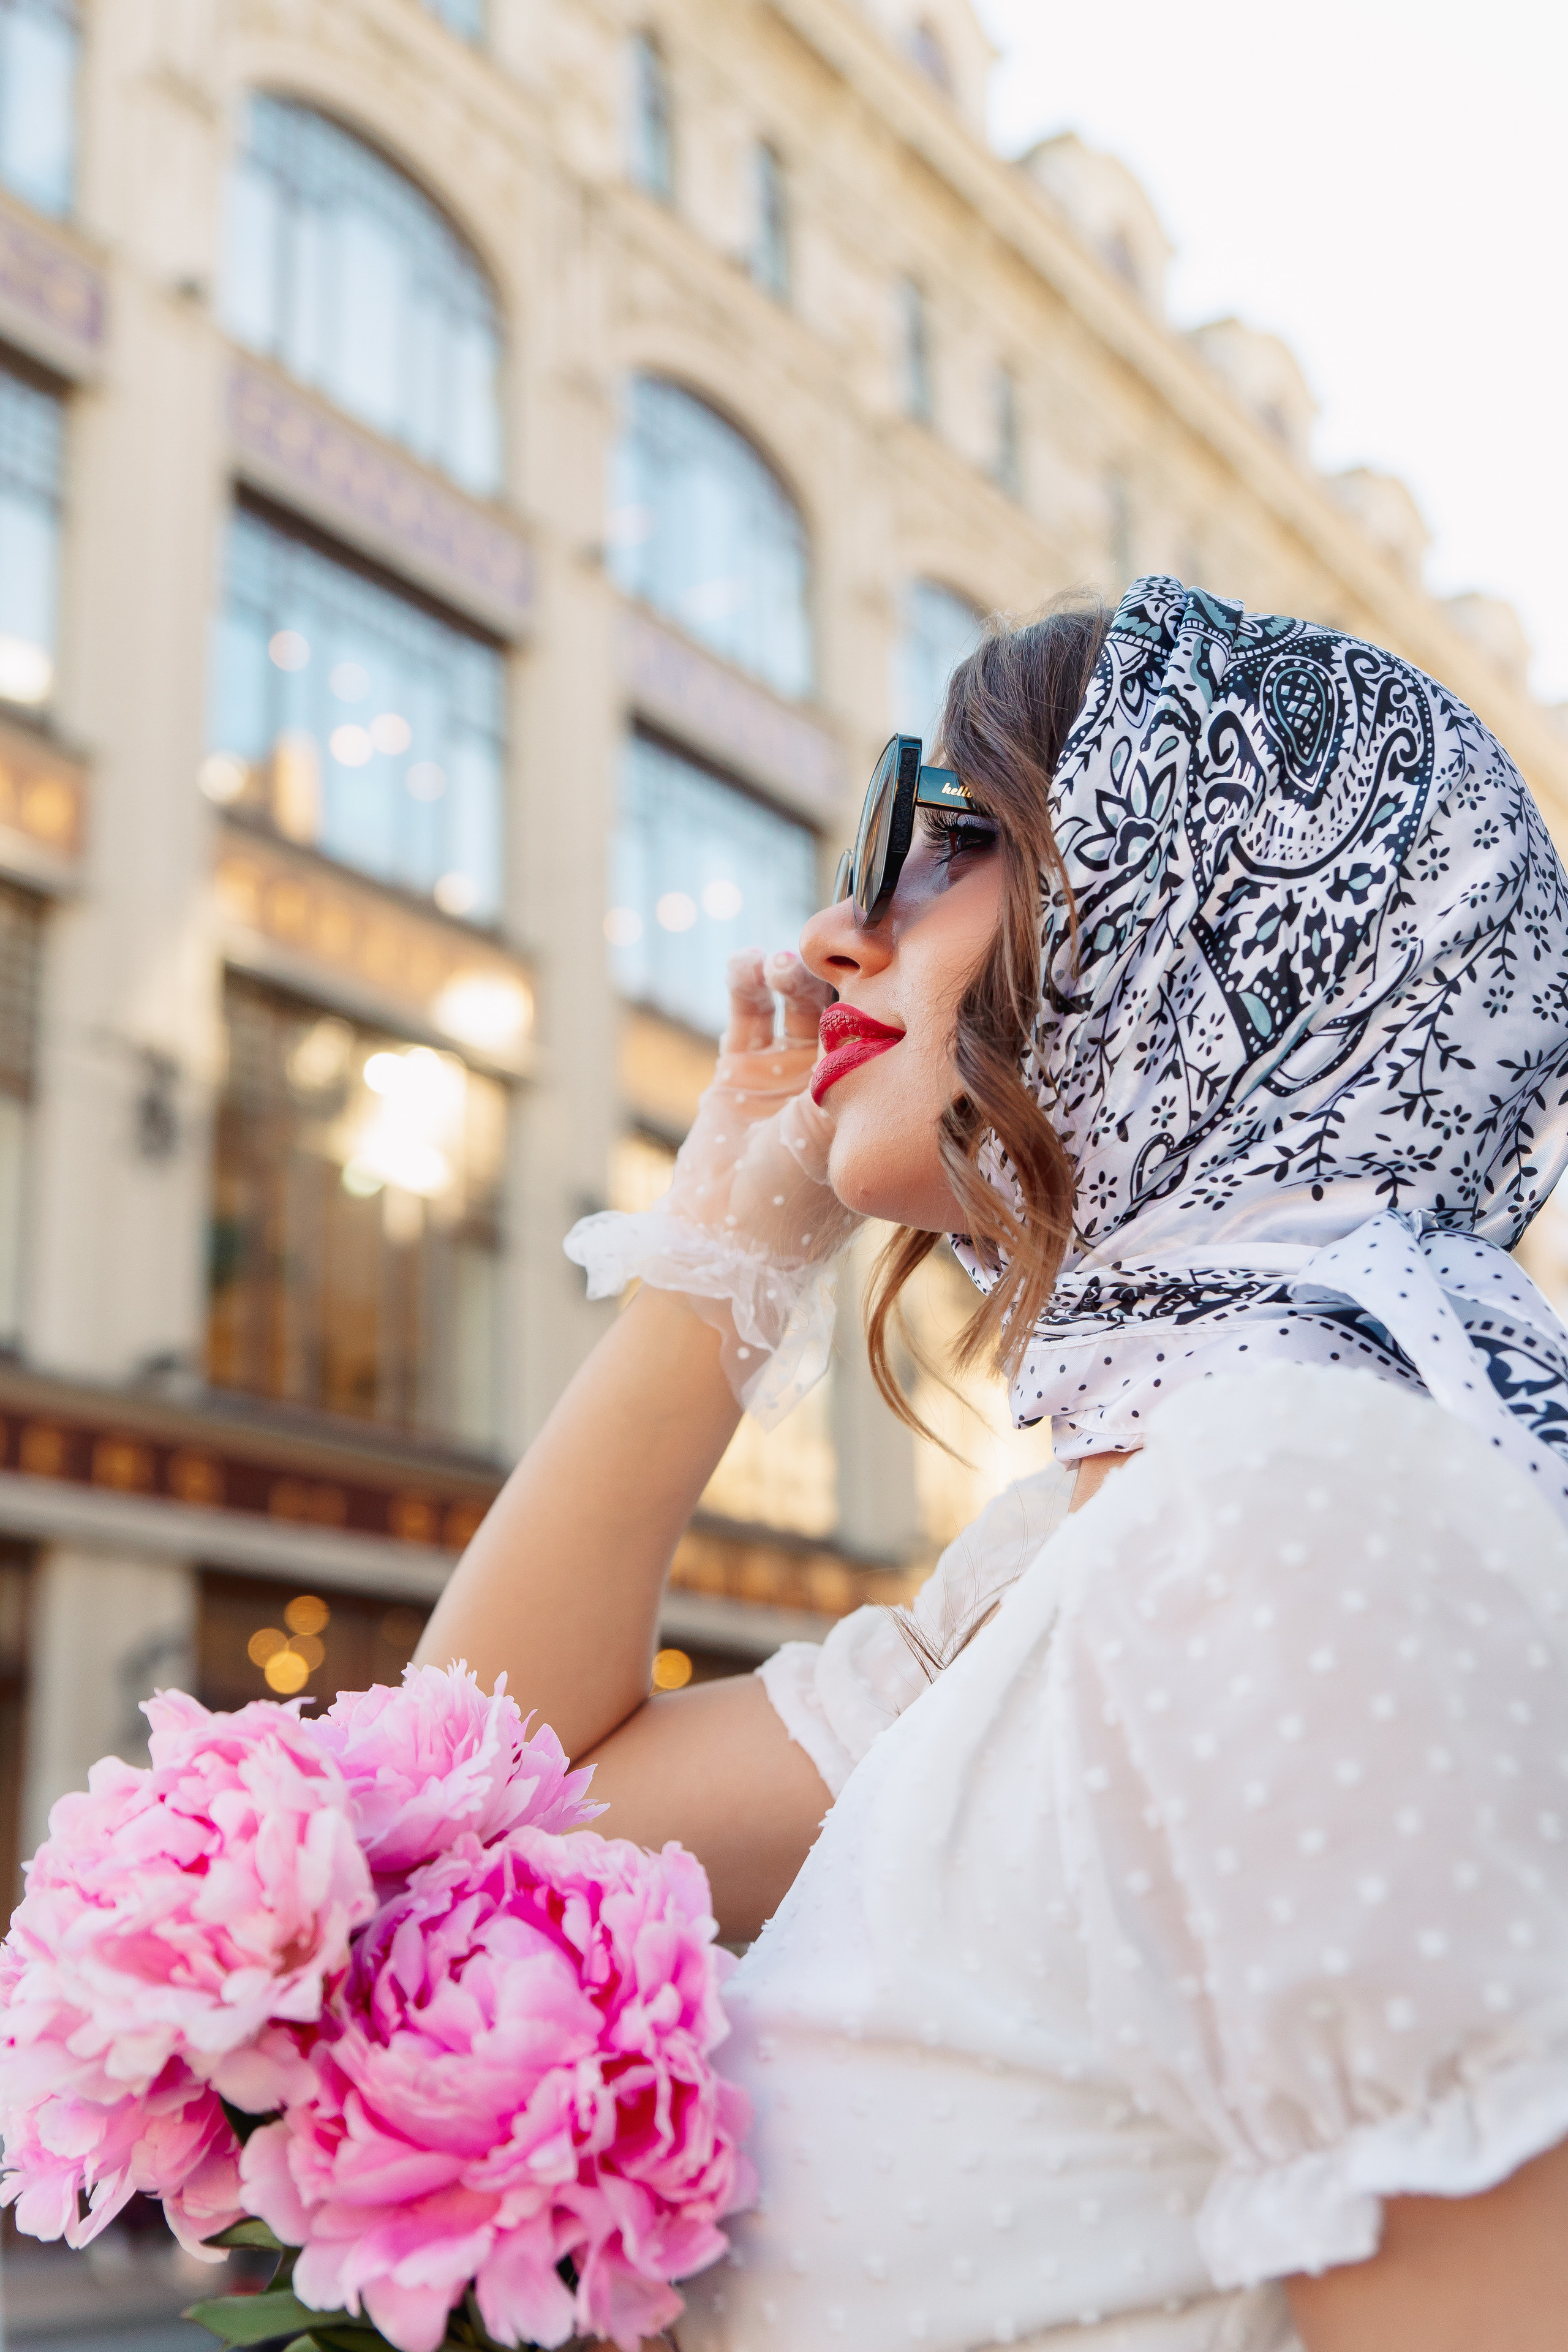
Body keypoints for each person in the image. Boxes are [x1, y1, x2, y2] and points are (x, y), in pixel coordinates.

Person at [420, 578, 1568, 2351]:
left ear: (1209, 922)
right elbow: (473, 1810)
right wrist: (723, 1250)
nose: (832, 935)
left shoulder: (1282, 1533)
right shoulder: (1063, 1583)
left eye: (934, 834)